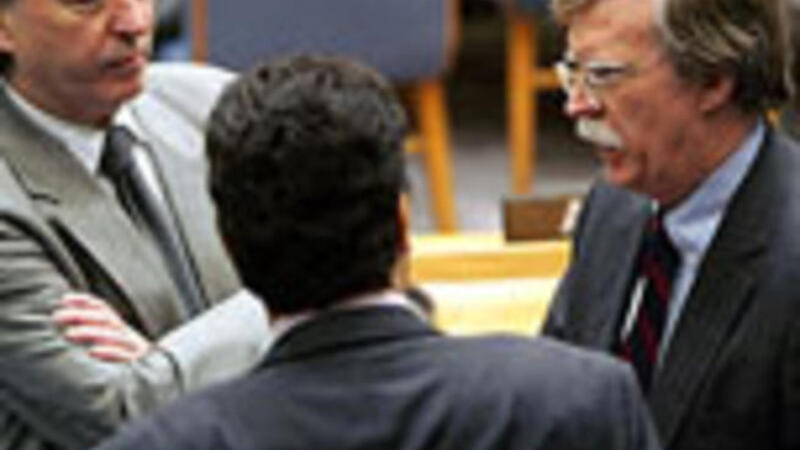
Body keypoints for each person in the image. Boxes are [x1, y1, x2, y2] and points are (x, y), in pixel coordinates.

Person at [94, 54, 660, 450]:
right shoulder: (580, 402)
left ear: (230, 244)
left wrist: (172, 361)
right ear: (404, 223)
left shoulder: (168, 442)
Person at [0, 0, 268, 448]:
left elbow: (367, 315)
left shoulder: (214, 103)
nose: (136, 21)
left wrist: (163, 367)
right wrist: (284, 306)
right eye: (87, 3)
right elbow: (123, 418)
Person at [542, 0, 799, 449]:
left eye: (603, 75)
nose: (576, 105)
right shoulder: (614, 205)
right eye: (572, 73)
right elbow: (558, 396)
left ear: (713, 80)